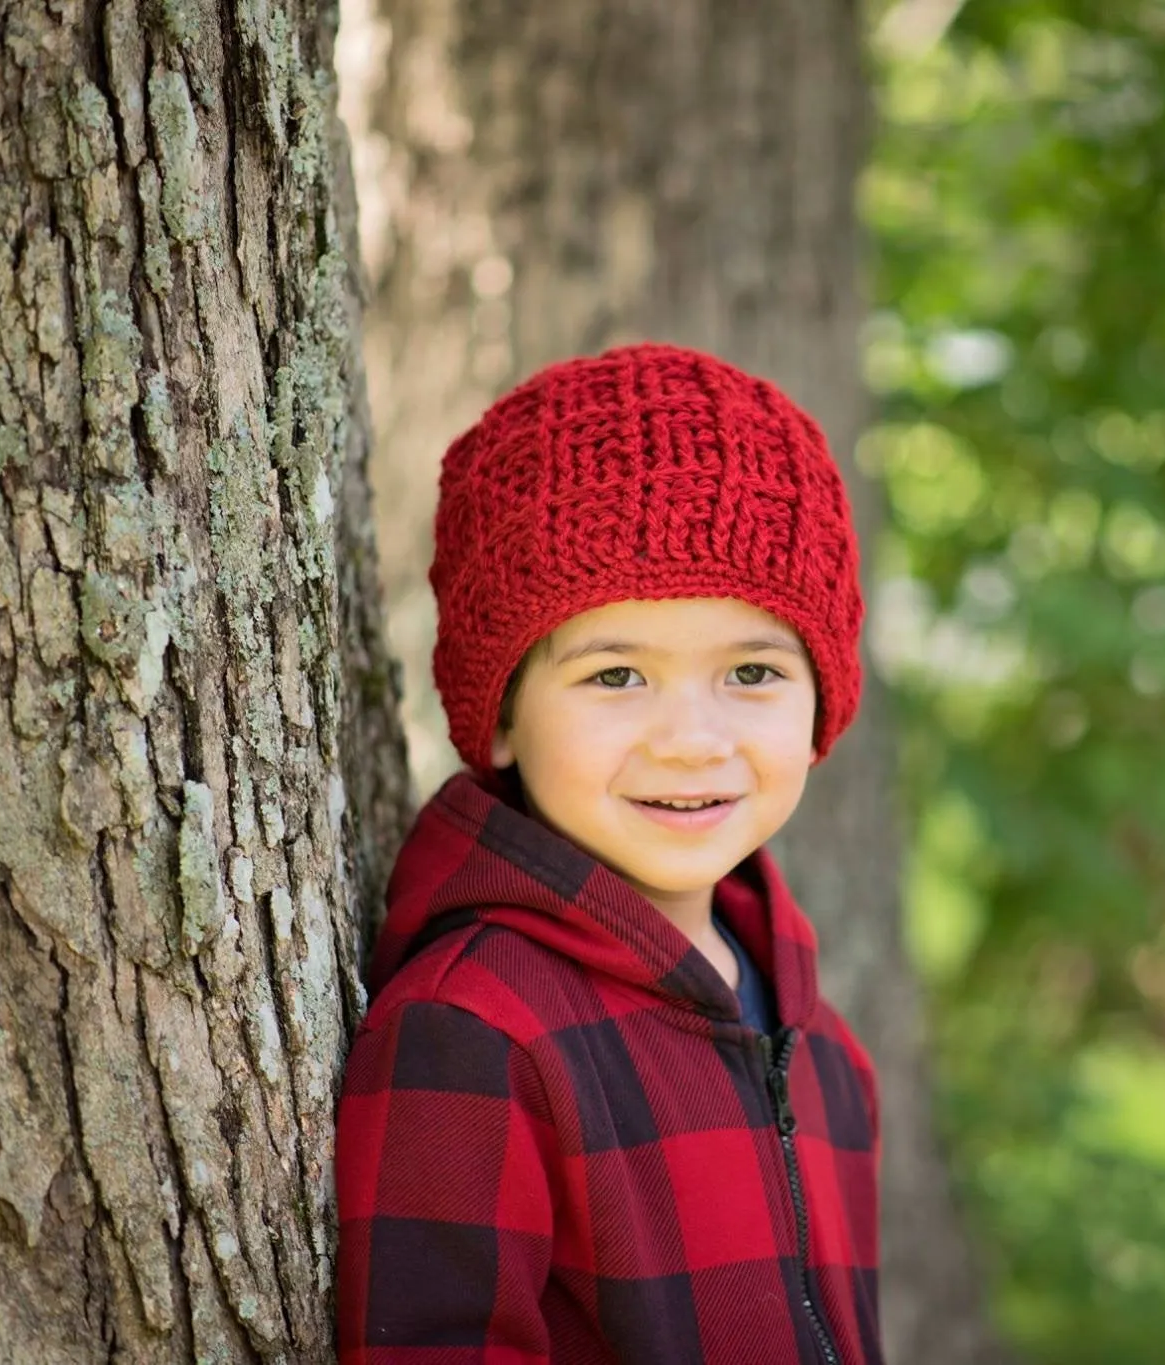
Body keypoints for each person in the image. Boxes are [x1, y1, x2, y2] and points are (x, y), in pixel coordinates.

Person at [334, 343, 883, 1364]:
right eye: (617, 675)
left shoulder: (827, 1056)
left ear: (821, 704)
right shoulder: (475, 1032)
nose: (688, 738)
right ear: (500, 716)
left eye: (752, 671)